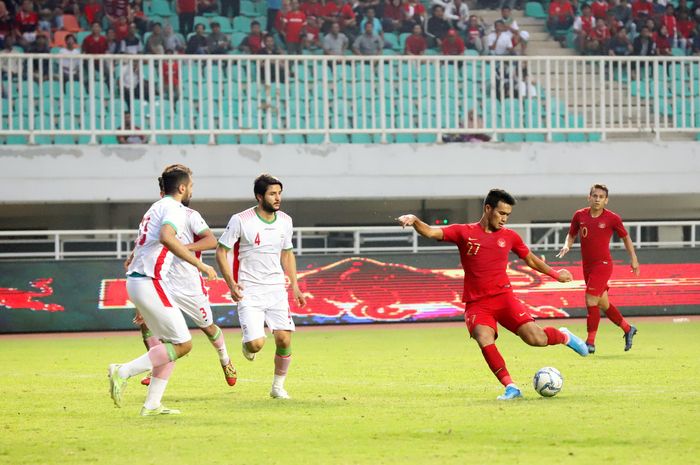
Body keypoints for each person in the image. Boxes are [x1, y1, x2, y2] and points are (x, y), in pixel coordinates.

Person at [398, 189, 589, 400]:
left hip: (504, 299)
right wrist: (414, 220)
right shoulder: (464, 232)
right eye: (501, 213)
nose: (504, 219)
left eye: (508, 214)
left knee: (535, 339)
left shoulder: (509, 237)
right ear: (488, 209)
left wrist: (555, 274)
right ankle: (511, 387)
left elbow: (531, 260)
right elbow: (431, 232)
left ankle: (564, 336)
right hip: (477, 303)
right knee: (484, 337)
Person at [108, 164, 218, 416]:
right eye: (190, 186)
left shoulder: (155, 208)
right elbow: (167, 238)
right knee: (184, 345)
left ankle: (152, 404)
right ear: (182, 187)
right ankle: (121, 371)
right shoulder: (175, 209)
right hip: (150, 281)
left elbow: (144, 244)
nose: (191, 190)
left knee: (169, 344)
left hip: (138, 281)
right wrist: (200, 264)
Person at [133, 170, 238, 388]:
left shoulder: (189, 215)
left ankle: (225, 359)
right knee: (145, 325)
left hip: (189, 285)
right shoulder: (160, 213)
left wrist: (182, 247)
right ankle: (156, 368)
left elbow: (211, 241)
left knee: (208, 327)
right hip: (162, 282)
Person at [216, 174, 306, 399]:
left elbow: (287, 253)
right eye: (272, 194)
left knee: (284, 338)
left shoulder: (286, 220)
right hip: (249, 290)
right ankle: (248, 345)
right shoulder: (241, 220)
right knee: (256, 345)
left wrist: (294, 285)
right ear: (259, 196)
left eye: (279, 193)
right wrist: (231, 283)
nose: (278, 198)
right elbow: (221, 250)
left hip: (276, 288)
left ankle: (277, 387)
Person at [557, 184, 640, 354]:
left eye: (601, 197)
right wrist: (567, 245)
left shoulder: (612, 218)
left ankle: (590, 343)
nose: (597, 199)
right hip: (587, 266)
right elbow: (571, 234)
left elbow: (626, 237)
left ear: (606, 200)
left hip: (603, 265)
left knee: (590, 300)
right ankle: (627, 328)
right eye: (594, 196)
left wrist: (634, 259)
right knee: (603, 303)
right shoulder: (579, 215)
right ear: (589, 197)